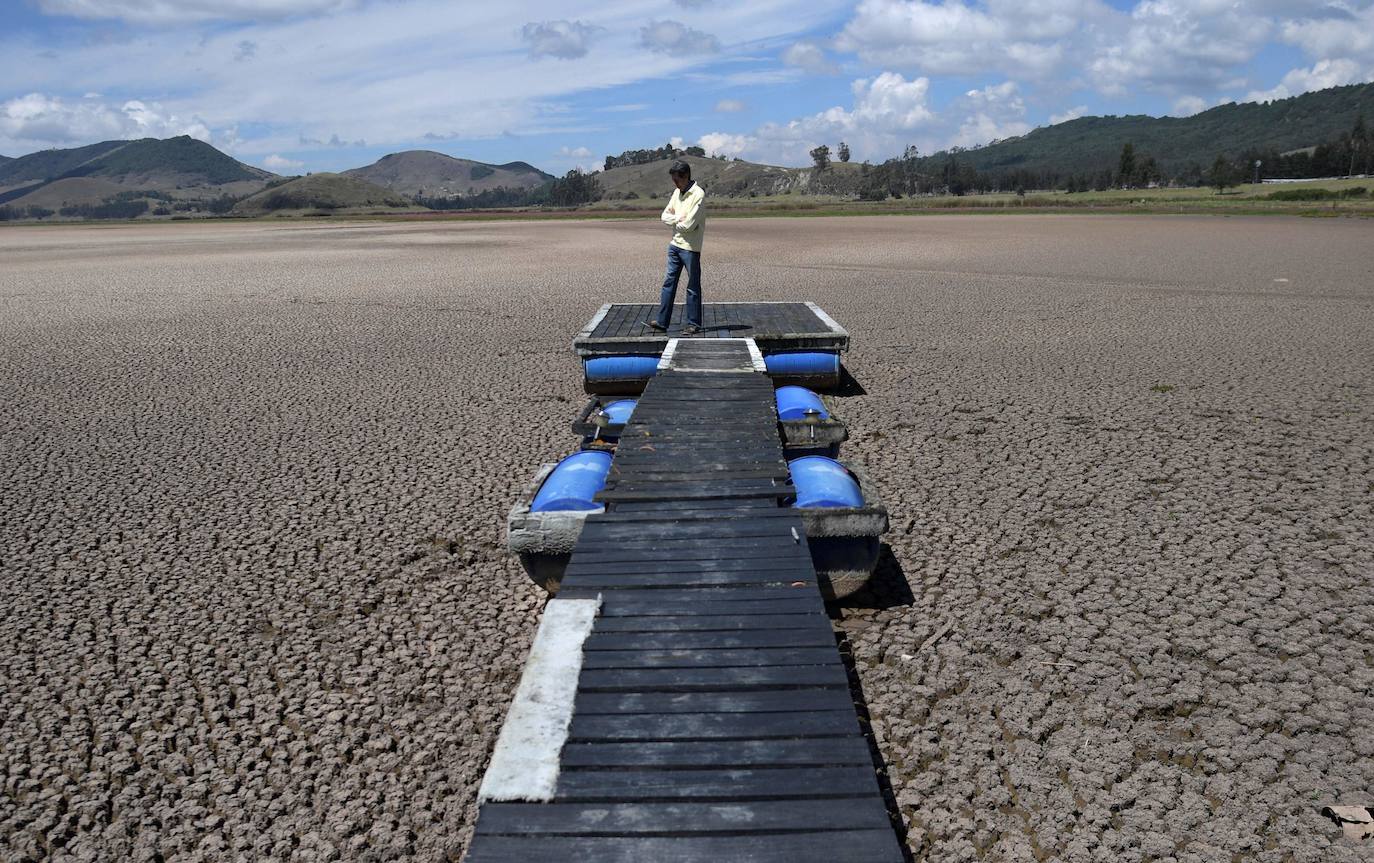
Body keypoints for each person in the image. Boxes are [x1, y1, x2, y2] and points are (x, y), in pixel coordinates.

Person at [650, 160, 706, 335]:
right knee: (669, 283)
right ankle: (662, 322)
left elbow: (689, 224)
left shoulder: (698, 194)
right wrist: (678, 219)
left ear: (686, 176)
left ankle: (693, 324)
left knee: (692, 286)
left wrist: (677, 220)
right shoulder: (676, 193)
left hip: (690, 247)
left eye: (677, 180)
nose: (675, 183)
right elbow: (664, 216)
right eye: (673, 180)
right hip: (674, 245)